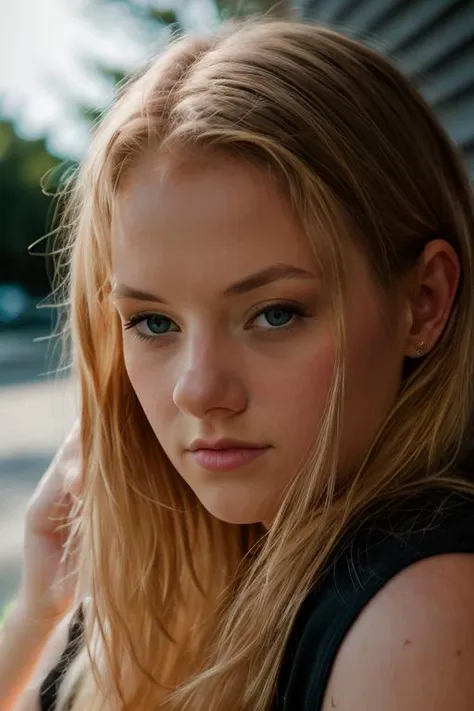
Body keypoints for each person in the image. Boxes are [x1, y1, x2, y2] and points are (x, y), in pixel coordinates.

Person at [1, 16, 474, 711]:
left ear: (424, 302)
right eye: (153, 322)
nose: (199, 390)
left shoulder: (415, 616)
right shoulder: (192, 572)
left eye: (274, 313)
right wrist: (41, 600)